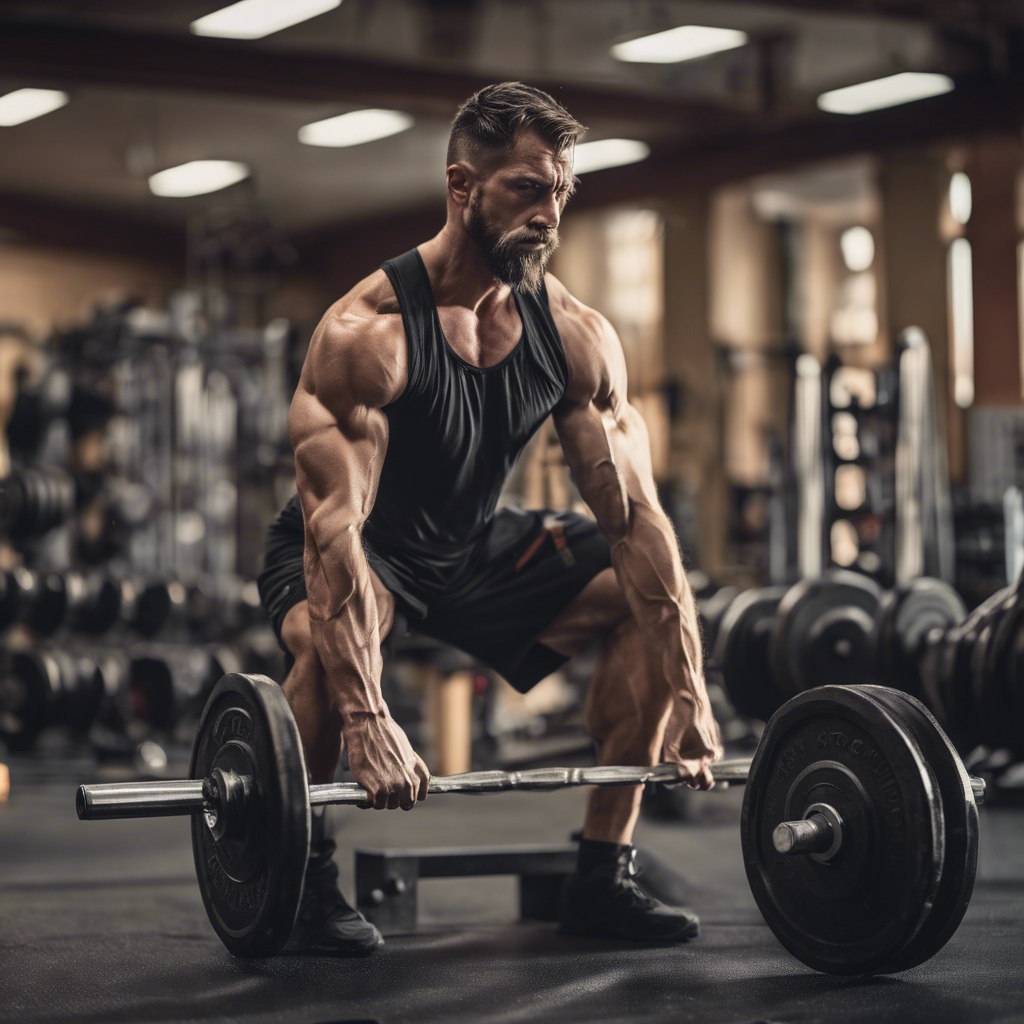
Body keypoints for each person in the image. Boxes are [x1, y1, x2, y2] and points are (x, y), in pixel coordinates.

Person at [258, 81, 723, 956]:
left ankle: (601, 875)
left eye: (561, 191)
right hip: (364, 547)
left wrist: (690, 686)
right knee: (326, 646)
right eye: (528, 188)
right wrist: (367, 717)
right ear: (462, 187)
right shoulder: (368, 331)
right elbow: (336, 534)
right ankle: (305, 877)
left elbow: (637, 523)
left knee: (636, 597)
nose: (550, 213)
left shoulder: (576, 333)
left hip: (473, 547)